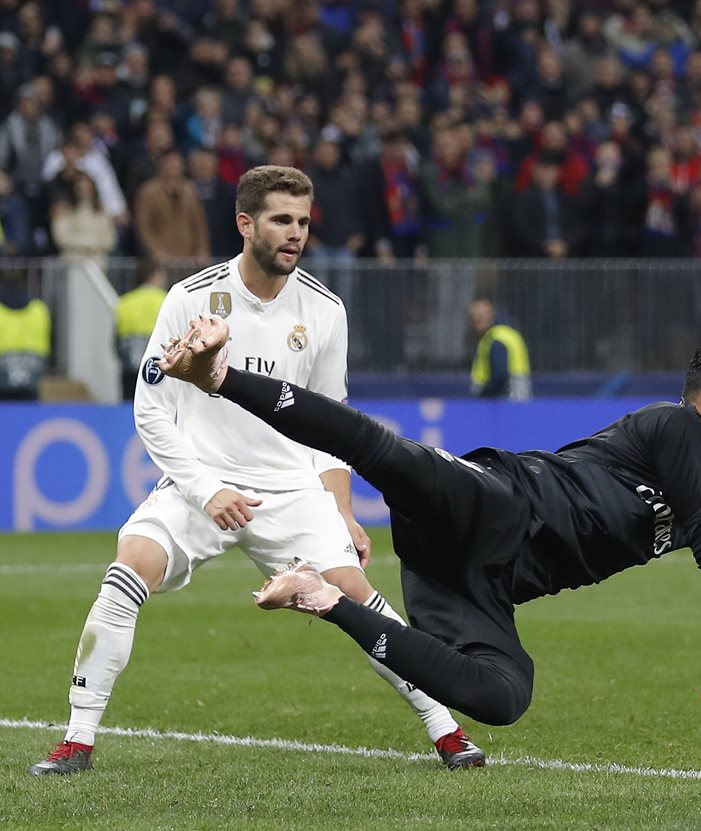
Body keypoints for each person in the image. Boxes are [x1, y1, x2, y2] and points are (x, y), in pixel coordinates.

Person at [157, 323, 701, 732]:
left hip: (483, 579)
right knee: (378, 447)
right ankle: (218, 378)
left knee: (503, 697)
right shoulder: (679, 428)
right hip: (497, 499)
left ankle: (329, 601)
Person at [28, 166, 484, 777]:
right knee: (129, 564)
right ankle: (76, 742)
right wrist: (205, 488)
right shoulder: (191, 299)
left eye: (302, 222)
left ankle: (447, 731)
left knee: (356, 597)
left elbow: (334, 424)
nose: (295, 234)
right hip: (204, 481)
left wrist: (343, 510)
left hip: (293, 489)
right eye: (281, 220)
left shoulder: (324, 311)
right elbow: (151, 407)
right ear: (246, 224)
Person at [114, 259, 168, 401]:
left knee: (129, 405)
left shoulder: (124, 302)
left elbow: (116, 340)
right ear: (156, 274)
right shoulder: (167, 300)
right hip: (159, 365)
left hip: (130, 363)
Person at [0, 269, 50, 401]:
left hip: (2, 368)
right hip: (32, 366)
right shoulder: (39, 309)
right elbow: (47, 338)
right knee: (29, 409)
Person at [468, 296, 531, 400]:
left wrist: (483, 395)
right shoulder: (508, 333)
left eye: (477, 319)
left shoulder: (495, 339)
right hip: (519, 398)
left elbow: (500, 376)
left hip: (503, 402)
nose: (474, 324)